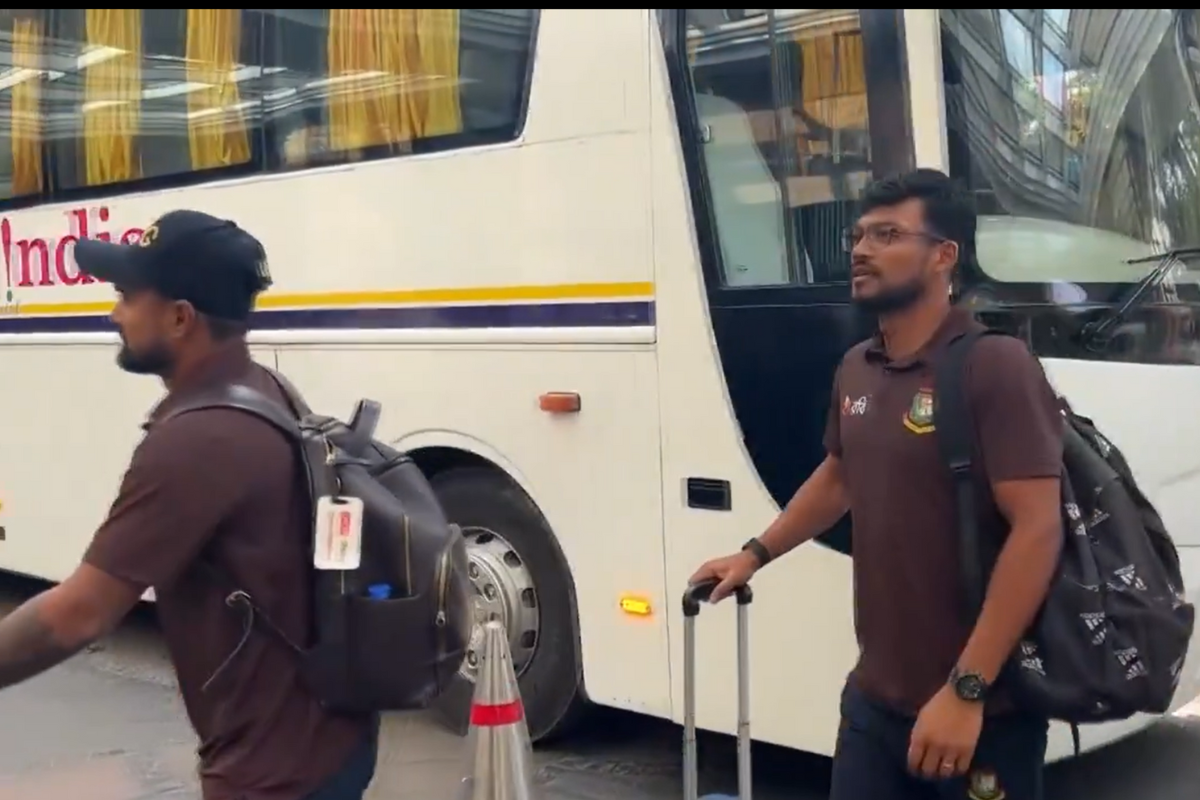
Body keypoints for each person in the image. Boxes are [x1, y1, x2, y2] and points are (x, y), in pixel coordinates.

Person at [690, 169, 1063, 800]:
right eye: (858, 235)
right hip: (873, 705)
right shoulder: (857, 366)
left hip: (983, 717)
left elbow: (1038, 529)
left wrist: (967, 690)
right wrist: (754, 553)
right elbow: (839, 477)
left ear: (944, 255)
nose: (861, 250)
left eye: (887, 234)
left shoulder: (994, 366)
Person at [0, 210, 374, 800]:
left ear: (180, 318)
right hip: (332, 742)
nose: (114, 313)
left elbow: (80, 613)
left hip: (272, 775)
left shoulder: (197, 440)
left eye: (126, 296)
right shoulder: (266, 390)